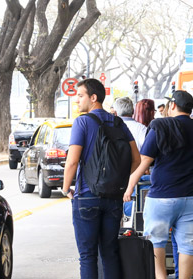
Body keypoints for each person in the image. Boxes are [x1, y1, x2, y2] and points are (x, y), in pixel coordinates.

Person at [123, 90, 193, 279]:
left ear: (172, 105)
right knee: (189, 244)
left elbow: (145, 160)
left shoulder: (160, 126)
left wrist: (130, 185)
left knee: (155, 242)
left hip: (162, 196)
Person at [62, 79, 141, 279]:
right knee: (109, 252)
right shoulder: (118, 122)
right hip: (113, 197)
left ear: (93, 97)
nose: (77, 100)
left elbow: (72, 162)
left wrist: (65, 189)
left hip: (87, 196)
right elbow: (136, 159)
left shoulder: (83, 122)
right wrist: (119, 181)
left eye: (80, 96)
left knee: (88, 256)